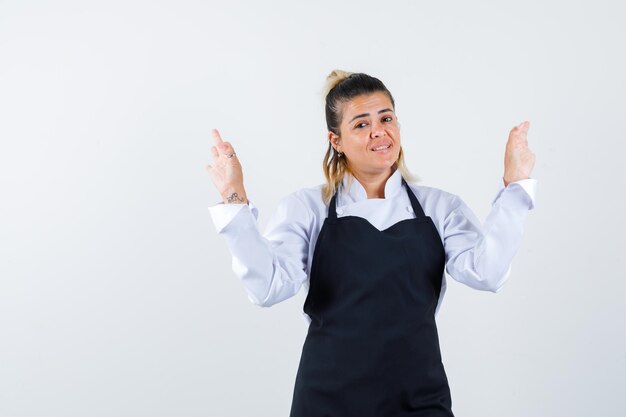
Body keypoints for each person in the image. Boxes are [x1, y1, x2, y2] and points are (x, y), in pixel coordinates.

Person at [205, 69, 537, 417]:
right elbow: (268, 287)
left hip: (420, 399)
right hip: (326, 401)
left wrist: (516, 189)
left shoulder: (441, 207)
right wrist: (234, 199)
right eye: (361, 124)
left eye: (386, 118)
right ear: (336, 141)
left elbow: (488, 273)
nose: (379, 131)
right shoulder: (307, 209)